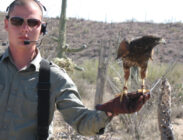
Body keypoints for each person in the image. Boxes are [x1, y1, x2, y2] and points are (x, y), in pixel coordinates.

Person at [0, 0, 150, 139]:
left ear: (42, 28)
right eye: (17, 21)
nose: (25, 29)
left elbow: (81, 121)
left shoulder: (53, 77)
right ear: (7, 23)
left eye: (33, 23)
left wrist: (111, 110)